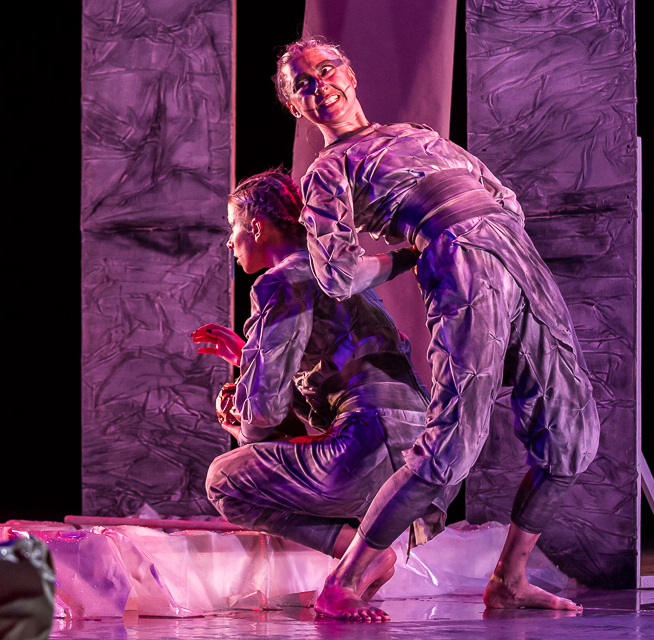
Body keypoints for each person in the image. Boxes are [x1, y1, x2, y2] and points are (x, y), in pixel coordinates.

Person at [272, 37, 601, 620]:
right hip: (460, 265)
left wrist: (494, 236)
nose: (319, 84)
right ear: (296, 106)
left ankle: (510, 579)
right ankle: (343, 583)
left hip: (517, 259)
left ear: (349, 73)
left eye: (326, 69)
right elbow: (338, 274)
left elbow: (503, 197)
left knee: (570, 432)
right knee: (452, 440)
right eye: (303, 84)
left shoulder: (417, 133)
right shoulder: (328, 170)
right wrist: (416, 251)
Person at [195, 170, 447, 600]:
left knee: (223, 480)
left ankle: (359, 554)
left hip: (370, 451)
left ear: (256, 227)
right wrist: (247, 359)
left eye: (233, 228)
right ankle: (362, 558)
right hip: (423, 462)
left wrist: (245, 420)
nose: (230, 243)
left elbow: (263, 413)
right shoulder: (344, 279)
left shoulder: (279, 281)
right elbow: (337, 361)